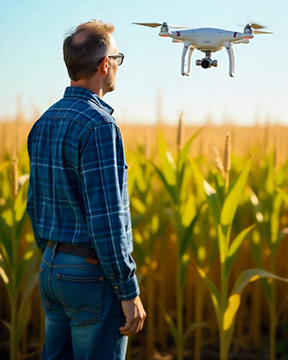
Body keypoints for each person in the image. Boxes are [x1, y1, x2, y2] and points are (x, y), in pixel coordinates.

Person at [26, 19, 146, 359]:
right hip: (89, 274)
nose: (117, 67)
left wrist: (54, 256)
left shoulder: (44, 121)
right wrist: (129, 291)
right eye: (117, 59)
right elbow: (107, 221)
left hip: (52, 267)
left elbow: (35, 203)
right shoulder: (100, 126)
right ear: (104, 64)